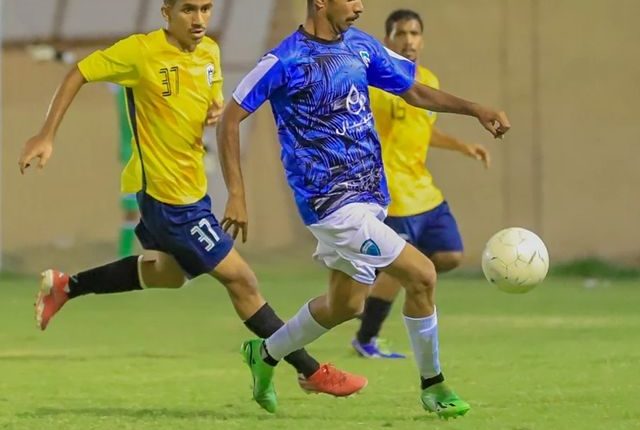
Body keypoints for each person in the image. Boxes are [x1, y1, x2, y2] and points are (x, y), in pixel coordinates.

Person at [17, 0, 366, 403]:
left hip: (192, 192)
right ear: (166, 12)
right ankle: (309, 370)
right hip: (168, 199)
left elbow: (208, 102)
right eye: (187, 10)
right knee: (242, 280)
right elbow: (78, 72)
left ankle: (66, 286)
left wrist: (211, 111)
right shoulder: (141, 52)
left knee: (167, 274)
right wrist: (46, 134)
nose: (198, 19)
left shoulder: (210, 52)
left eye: (205, 8)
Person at [217, 0, 510, 418]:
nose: (359, 5)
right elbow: (229, 118)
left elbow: (413, 90)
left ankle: (263, 354)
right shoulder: (285, 60)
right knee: (422, 275)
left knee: (345, 306)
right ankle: (434, 386)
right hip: (331, 204)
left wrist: (475, 109)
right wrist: (237, 193)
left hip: (370, 197)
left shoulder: (361, 46)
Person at [352, 9, 491, 359]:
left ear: (422, 39)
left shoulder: (427, 79)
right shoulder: (376, 84)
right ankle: (366, 338)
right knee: (402, 268)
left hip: (424, 191)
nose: (409, 41)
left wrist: (462, 146)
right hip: (393, 193)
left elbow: (423, 131)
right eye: (401, 34)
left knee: (450, 254)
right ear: (387, 40)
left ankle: (391, 283)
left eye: (414, 33)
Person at [111, 84, 140, 258]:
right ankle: (124, 257)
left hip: (156, 153)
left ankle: (175, 261)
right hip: (130, 155)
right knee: (131, 212)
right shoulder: (119, 83)